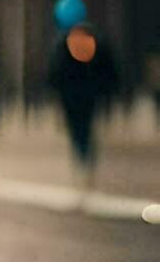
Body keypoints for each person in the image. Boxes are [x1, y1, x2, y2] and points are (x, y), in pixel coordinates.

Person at [48, 17, 119, 187]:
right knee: (84, 128)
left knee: (78, 129)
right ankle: (85, 157)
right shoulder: (95, 44)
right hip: (87, 94)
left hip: (74, 95)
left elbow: (55, 73)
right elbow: (109, 71)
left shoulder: (64, 46)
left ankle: (82, 157)